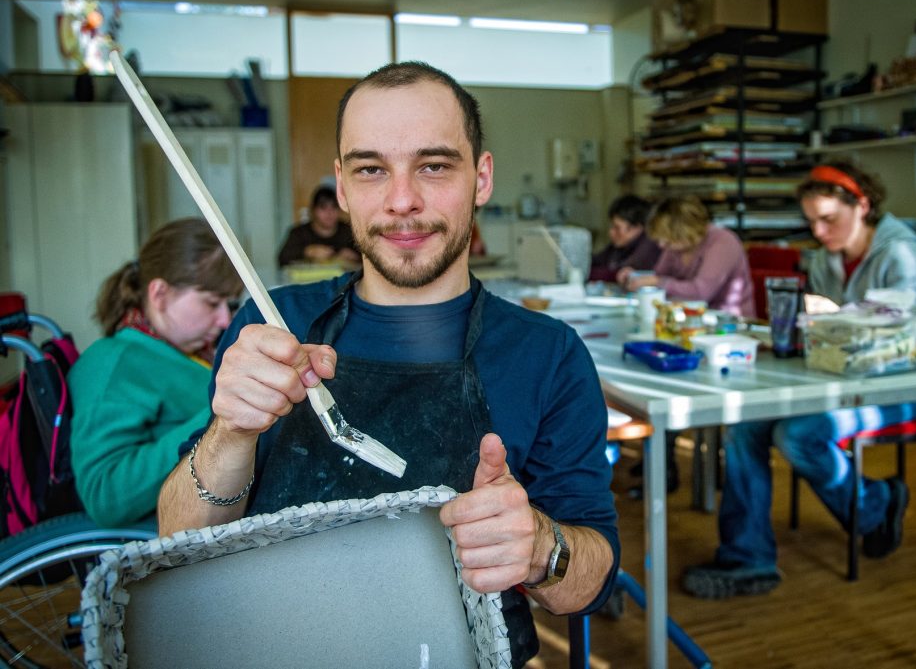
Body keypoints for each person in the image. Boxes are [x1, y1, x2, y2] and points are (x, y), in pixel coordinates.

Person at [156, 61, 618, 667]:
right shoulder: (272, 324)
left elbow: (590, 581)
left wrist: (539, 547)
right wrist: (230, 433)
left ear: (481, 178)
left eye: (434, 166)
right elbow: (179, 541)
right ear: (343, 187)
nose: (402, 201)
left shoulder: (547, 354)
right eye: (371, 169)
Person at [682, 159, 916, 599]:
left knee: (799, 434)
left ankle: (876, 504)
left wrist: (840, 320)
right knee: (745, 426)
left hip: (902, 385)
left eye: (828, 219)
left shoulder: (904, 254)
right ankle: (748, 558)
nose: (819, 232)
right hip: (839, 381)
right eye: (812, 222)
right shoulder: (826, 259)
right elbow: (827, 337)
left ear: (862, 205)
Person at [68, 218, 242, 528]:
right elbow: (104, 494)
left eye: (228, 305)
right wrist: (219, 417)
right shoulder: (113, 365)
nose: (224, 320)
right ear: (160, 294)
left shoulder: (184, 349)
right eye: (212, 303)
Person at [619, 195, 755, 317]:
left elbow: (701, 293)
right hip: (691, 317)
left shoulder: (723, 242)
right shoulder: (677, 245)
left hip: (730, 321)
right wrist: (636, 277)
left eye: (668, 240)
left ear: (685, 232)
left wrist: (656, 281)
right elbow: (660, 275)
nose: (662, 245)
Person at [277, 185, 360, 267]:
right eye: (323, 207)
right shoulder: (299, 233)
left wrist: (355, 256)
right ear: (313, 210)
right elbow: (282, 259)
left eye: (334, 207)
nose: (329, 213)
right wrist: (307, 252)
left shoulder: (349, 231)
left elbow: (366, 255)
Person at [588, 194, 661, 282]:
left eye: (617, 228)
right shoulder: (620, 245)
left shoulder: (648, 247)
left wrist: (615, 275)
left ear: (636, 228)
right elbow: (596, 261)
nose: (611, 232)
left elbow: (620, 273)